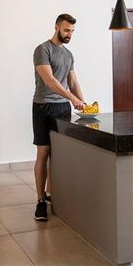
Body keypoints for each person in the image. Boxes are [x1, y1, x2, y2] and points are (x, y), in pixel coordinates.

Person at [32, 14, 85, 221]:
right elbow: (50, 81)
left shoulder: (68, 54)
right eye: (66, 30)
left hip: (62, 108)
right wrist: (73, 98)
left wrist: (84, 104)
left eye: (72, 31)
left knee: (59, 153)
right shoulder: (42, 50)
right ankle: (40, 201)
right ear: (56, 27)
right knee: (44, 152)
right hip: (43, 107)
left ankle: (53, 194)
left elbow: (73, 82)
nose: (69, 34)